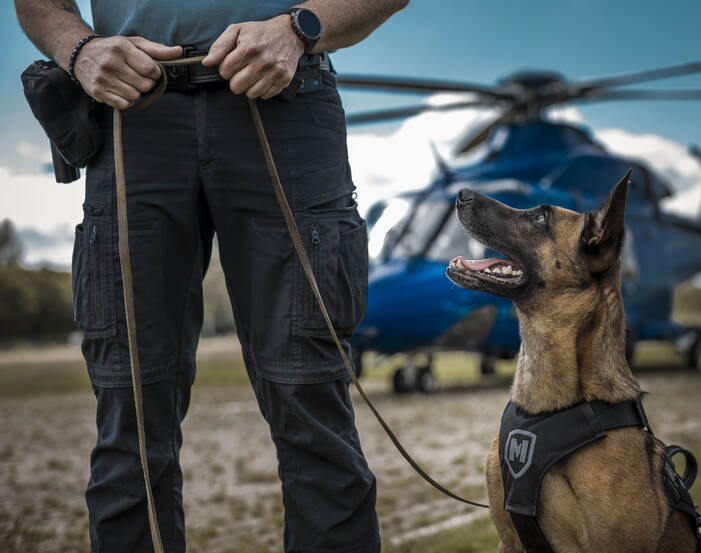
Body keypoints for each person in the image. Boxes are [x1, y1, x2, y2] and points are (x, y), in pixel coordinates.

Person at [13, 1, 409, 551]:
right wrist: (78, 49)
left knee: (313, 412)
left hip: (285, 98)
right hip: (132, 112)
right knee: (129, 424)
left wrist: (300, 29)